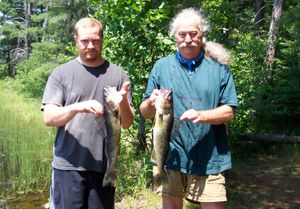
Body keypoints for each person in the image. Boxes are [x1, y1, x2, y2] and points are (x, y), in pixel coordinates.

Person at [140, 8, 238, 209]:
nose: (188, 39)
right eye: (182, 34)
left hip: (210, 157)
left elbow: (229, 110)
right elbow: (145, 112)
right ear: (174, 36)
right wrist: (151, 103)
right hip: (170, 156)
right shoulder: (162, 66)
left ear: (201, 35)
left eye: (193, 34)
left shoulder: (219, 67)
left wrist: (203, 116)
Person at [41, 17, 134, 209]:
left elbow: (127, 123)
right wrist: (78, 107)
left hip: (104, 166)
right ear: (76, 40)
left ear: (102, 40)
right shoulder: (61, 73)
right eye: (84, 41)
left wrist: (123, 101)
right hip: (68, 166)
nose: (90, 45)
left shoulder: (118, 74)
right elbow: (49, 118)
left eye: (95, 40)